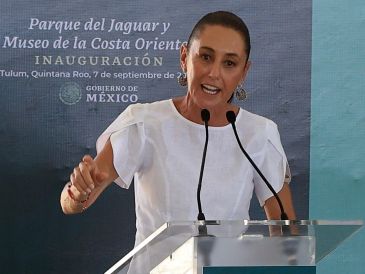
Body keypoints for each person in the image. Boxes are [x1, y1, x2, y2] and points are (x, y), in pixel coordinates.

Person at [60, 11, 296, 246]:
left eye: (229, 63)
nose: (214, 73)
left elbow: (287, 238)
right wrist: (78, 193)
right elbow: (72, 202)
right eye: (205, 57)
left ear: (244, 72)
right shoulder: (144, 122)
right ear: (184, 57)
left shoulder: (260, 133)